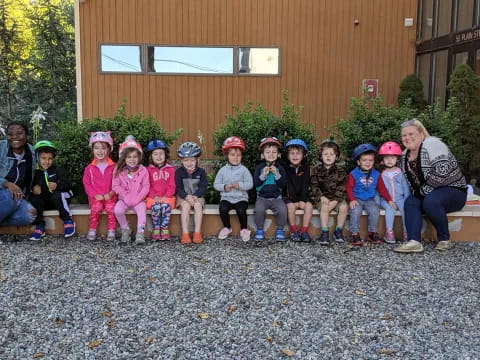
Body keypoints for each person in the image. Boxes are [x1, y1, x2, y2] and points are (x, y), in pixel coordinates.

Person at [394, 119, 467, 253]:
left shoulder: (433, 144)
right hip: (428, 192)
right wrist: (417, 194)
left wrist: (421, 193)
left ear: (421, 134)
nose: (407, 138)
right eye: (404, 135)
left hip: (453, 189)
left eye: (411, 134)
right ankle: (414, 241)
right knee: (410, 202)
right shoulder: (404, 156)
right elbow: (412, 184)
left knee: (431, 201)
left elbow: (441, 172)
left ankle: (444, 240)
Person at [346, 143, 397, 246]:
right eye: (364, 160)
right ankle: (354, 234)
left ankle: (372, 232)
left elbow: (382, 189)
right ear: (358, 162)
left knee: (375, 210)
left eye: (370, 160)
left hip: (370, 199)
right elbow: (349, 188)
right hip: (357, 198)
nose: (367, 163)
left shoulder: (376, 174)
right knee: (355, 211)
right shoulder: (353, 174)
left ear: (374, 161)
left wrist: (389, 200)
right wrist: (352, 199)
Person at [28, 141, 75, 240]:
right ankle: (40, 226)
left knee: (57, 195)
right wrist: (33, 190)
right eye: (43, 158)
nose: (47, 161)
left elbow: (68, 184)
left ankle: (67, 220)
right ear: (37, 158)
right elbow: (28, 186)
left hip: (60, 198)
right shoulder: (35, 173)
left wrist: (58, 185)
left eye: (50, 158)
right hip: (46, 201)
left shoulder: (58, 169)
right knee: (34, 198)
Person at [214, 136, 253, 242]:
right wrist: (223, 187)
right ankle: (227, 227)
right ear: (227, 155)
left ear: (241, 156)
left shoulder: (244, 170)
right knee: (223, 209)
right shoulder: (222, 170)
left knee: (241, 210)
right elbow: (216, 184)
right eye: (232, 155)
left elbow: (250, 184)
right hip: (227, 197)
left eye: (238, 155)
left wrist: (240, 185)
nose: (236, 158)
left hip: (241, 198)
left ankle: (244, 229)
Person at [112, 136, 150, 245]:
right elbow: (115, 186)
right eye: (129, 157)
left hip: (139, 199)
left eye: (135, 157)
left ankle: (140, 233)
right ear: (123, 158)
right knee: (118, 210)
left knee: (142, 211)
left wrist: (138, 198)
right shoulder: (118, 170)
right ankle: (125, 229)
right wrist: (125, 196)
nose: (132, 159)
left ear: (139, 157)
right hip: (124, 199)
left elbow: (145, 186)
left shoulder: (143, 170)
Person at [311, 137, 348, 245]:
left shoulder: (340, 171)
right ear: (321, 156)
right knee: (325, 208)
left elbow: (342, 187)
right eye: (325, 154)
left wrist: (336, 200)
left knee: (344, 207)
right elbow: (314, 186)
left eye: (331, 154)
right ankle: (325, 232)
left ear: (336, 157)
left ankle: (338, 230)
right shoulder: (316, 170)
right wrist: (321, 197)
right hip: (322, 198)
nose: (328, 156)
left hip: (337, 198)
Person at [0, 122, 37, 229]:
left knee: (30, 215)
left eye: (19, 133)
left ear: (26, 135)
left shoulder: (31, 152)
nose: (14, 137)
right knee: (11, 196)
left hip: (18, 197)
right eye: (10, 134)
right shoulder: (1, 149)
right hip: (4, 193)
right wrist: (7, 183)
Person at [82, 131, 117, 241]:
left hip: (110, 197)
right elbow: (86, 183)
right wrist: (94, 195)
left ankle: (112, 230)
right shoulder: (90, 168)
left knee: (111, 209)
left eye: (103, 148)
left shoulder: (114, 167)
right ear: (92, 150)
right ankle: (92, 229)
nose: (100, 151)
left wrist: (111, 193)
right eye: (96, 148)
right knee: (96, 208)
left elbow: (118, 183)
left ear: (109, 149)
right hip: (95, 198)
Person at [253, 137, 288, 242]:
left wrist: (277, 174)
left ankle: (280, 230)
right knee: (259, 210)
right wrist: (263, 175)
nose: (271, 154)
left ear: (279, 154)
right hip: (262, 198)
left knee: (282, 210)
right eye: (267, 152)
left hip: (277, 198)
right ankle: (259, 230)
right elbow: (256, 184)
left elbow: (283, 184)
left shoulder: (280, 168)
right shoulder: (259, 168)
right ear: (262, 155)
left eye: (274, 152)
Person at [175, 141, 207, 244]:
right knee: (185, 206)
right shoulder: (179, 172)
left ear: (197, 159)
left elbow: (203, 187)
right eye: (186, 160)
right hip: (183, 196)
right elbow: (178, 188)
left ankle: (197, 232)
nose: (189, 163)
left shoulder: (201, 172)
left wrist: (196, 196)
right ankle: (185, 233)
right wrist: (186, 197)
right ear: (181, 160)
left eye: (192, 160)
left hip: (198, 196)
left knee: (198, 206)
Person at [378, 141, 410, 244]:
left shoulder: (400, 173)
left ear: (397, 159)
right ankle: (389, 232)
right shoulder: (382, 174)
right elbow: (381, 190)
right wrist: (389, 201)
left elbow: (405, 187)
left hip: (400, 198)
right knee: (390, 208)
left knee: (405, 209)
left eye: (392, 158)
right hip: (386, 199)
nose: (389, 160)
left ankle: (406, 232)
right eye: (386, 158)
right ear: (383, 160)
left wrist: (407, 199)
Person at [283, 139, 313, 242]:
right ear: (287, 155)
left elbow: (306, 184)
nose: (295, 156)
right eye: (292, 153)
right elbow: (288, 185)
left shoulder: (306, 168)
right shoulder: (286, 168)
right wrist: (294, 200)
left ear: (303, 155)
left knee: (309, 206)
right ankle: (294, 230)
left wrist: (302, 200)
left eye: (298, 153)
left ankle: (304, 230)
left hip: (303, 197)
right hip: (289, 196)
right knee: (290, 207)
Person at [146, 139, 176, 241]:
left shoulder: (171, 169)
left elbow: (172, 185)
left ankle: (164, 229)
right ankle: (156, 229)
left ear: (165, 155)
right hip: (153, 197)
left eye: (161, 154)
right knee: (156, 208)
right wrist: (154, 196)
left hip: (167, 197)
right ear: (151, 156)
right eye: (155, 154)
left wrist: (166, 196)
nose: (159, 157)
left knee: (165, 206)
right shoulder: (148, 170)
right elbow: (147, 185)